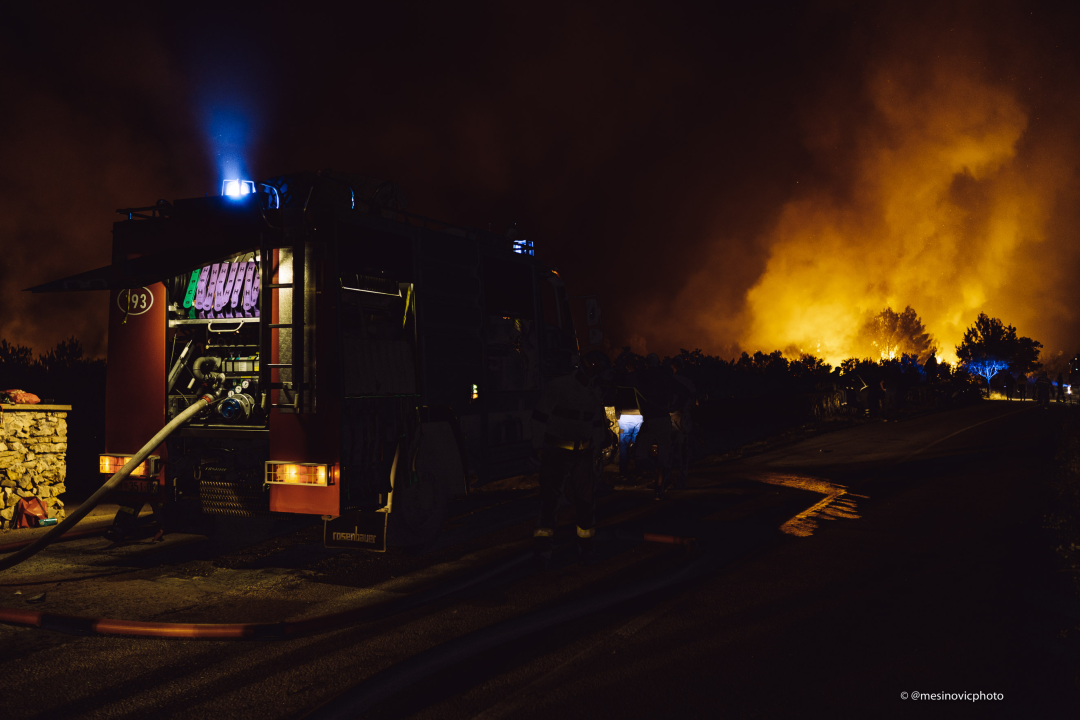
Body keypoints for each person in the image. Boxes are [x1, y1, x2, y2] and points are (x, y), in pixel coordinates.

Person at [530, 350, 613, 567]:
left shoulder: (594, 392)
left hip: (583, 454)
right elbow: (539, 417)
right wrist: (538, 447)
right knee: (550, 502)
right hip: (556, 452)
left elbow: (595, 424)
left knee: (585, 503)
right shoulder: (559, 386)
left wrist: (597, 451)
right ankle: (543, 551)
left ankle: (585, 549)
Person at [631, 353, 679, 498]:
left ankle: (659, 480)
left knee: (639, 453)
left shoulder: (643, 377)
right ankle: (661, 482)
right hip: (663, 418)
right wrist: (671, 407)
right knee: (663, 453)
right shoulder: (665, 376)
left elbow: (639, 397)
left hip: (650, 419)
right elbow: (674, 393)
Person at [669, 357, 697, 490]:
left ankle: (667, 478)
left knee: (669, 449)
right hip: (684, 418)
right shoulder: (688, 382)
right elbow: (693, 401)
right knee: (684, 450)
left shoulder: (670, 381)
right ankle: (681, 479)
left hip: (670, 417)